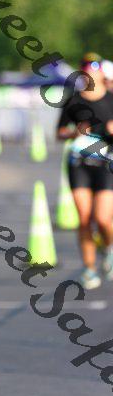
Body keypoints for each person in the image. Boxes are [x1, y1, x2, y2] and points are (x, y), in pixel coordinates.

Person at [57, 52, 113, 289]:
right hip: (79, 162)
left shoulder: (111, 98)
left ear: (101, 72)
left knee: (103, 218)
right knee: (84, 218)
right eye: (85, 66)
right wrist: (74, 132)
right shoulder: (73, 100)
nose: (89, 69)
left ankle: (109, 249)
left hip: (106, 163)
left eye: (94, 65)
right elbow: (59, 132)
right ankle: (89, 269)